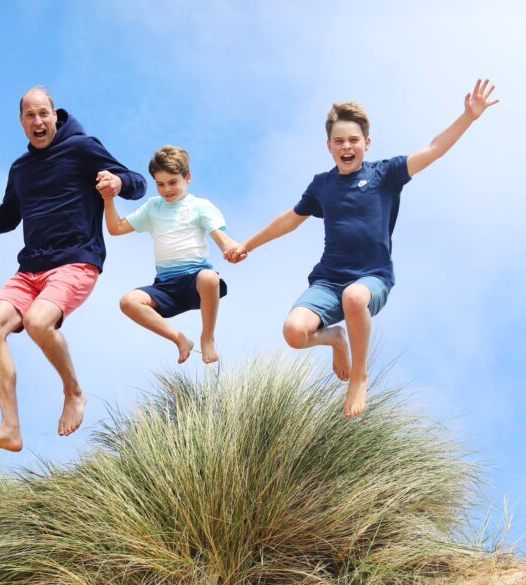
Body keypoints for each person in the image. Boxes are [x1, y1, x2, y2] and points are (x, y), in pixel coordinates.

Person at [225, 79, 498, 418]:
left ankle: (360, 374)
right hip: (327, 281)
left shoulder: (386, 174)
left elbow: (434, 148)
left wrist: (467, 117)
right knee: (294, 333)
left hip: (373, 278)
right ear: (329, 146)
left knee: (354, 297)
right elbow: (290, 220)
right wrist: (247, 245)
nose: (347, 146)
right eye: (339, 141)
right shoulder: (322, 185)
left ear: (366, 143)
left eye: (353, 140)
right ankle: (337, 339)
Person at [0, 86, 146, 450]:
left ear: (55, 114)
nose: (38, 121)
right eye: (30, 115)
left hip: (77, 260)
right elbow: (3, 218)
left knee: (37, 321)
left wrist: (117, 181)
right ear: (21, 122)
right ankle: (11, 428)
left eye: (43, 113)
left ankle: (74, 392)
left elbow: (138, 184)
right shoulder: (21, 169)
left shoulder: (82, 148)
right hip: (31, 268)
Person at [103, 145, 237, 364]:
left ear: (188, 178)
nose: (166, 189)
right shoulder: (153, 207)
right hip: (166, 287)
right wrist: (108, 199)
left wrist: (230, 249)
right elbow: (115, 228)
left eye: (173, 182)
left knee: (209, 276)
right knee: (128, 301)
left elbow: (222, 239)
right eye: (160, 184)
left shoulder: (201, 206)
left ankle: (207, 337)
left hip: (195, 282)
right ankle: (179, 339)